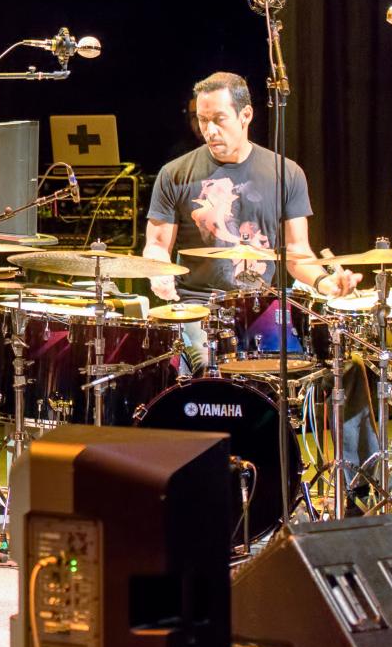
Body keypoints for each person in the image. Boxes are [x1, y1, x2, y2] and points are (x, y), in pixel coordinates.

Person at [142, 71, 379, 504]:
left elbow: (298, 253)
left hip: (265, 310)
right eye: (202, 120)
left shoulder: (285, 173)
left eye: (219, 119)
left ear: (247, 114)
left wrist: (328, 281)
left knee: (347, 363)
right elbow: (156, 245)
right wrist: (157, 270)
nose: (209, 130)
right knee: (200, 370)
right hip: (198, 309)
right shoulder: (175, 174)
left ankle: (357, 487)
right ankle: (202, 491)